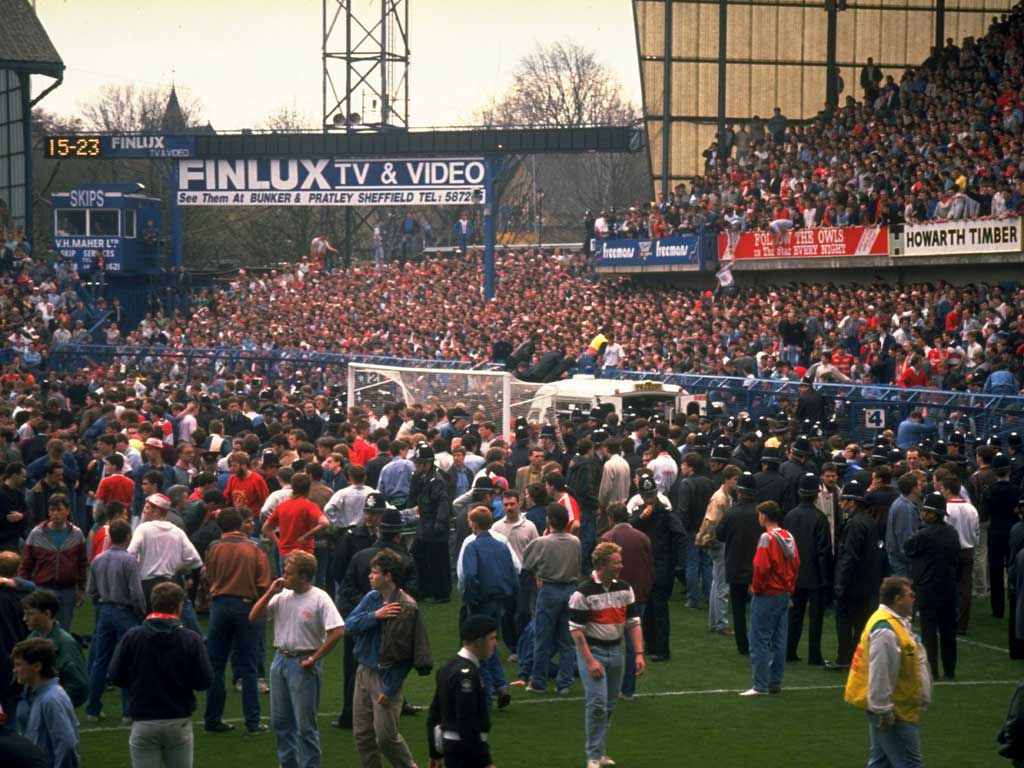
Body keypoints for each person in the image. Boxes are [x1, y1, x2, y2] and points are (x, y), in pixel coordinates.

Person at [249, 551, 345, 768]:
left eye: (289, 573)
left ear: (304, 576)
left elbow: (338, 630)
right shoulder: (281, 596)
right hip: (280, 661)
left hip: (304, 663)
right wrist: (269, 593)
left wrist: (315, 657)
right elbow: (254, 617)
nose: (284, 576)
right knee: (281, 722)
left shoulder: (320, 598)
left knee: (305, 726)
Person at [109, 582, 213, 768]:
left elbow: (116, 675)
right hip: (178, 719)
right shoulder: (191, 639)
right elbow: (204, 681)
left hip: (143, 720)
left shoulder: (132, 637)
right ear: (179, 605)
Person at [346, 549, 430, 768]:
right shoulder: (371, 598)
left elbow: (409, 654)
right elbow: (349, 625)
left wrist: (390, 688)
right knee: (363, 736)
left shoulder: (407, 606)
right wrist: (376, 616)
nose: (370, 576)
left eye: (374, 573)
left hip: (386, 678)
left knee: (385, 737)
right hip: (363, 672)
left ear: (388, 576)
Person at [568, 541, 645, 768]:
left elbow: (634, 624)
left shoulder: (625, 588)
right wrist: (590, 660)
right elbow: (576, 632)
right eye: (616, 562)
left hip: (616, 651)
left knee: (609, 706)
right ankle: (593, 755)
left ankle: (600, 751)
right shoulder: (582, 593)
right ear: (602, 565)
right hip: (593, 651)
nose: (621, 566)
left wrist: (639, 654)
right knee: (598, 703)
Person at [844, 576, 932, 768]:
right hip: (895, 711)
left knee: (881, 763)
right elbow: (880, 673)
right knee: (910, 763)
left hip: (895, 707)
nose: (914, 599)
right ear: (898, 599)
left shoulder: (893, 623)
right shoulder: (886, 631)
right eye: (910, 595)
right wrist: (884, 710)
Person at [202, 507, 271, 734]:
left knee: (216, 665)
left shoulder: (213, 547)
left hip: (220, 606)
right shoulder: (254, 548)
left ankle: (212, 719)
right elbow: (263, 583)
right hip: (246, 607)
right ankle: (252, 722)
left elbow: (208, 576)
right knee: (249, 666)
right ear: (240, 524)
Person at [84, 518, 145, 721]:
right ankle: (128, 711)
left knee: (100, 661)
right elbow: (136, 592)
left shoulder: (98, 559)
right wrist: (141, 611)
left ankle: (92, 708)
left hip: (104, 610)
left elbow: (90, 591)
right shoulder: (129, 561)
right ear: (128, 536)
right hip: (125, 612)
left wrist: (100, 604)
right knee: (129, 660)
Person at [459, 506, 517, 708]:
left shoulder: (472, 547)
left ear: (473, 524)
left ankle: (488, 692)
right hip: (499, 602)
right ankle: (501, 686)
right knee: (491, 643)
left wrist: (470, 600)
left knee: (479, 647)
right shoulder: (501, 545)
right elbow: (512, 573)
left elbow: (470, 577)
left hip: (480, 603)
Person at [521, 503, 581, 695]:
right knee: (567, 640)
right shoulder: (575, 542)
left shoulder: (543, 542)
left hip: (549, 590)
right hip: (571, 591)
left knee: (542, 638)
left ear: (550, 520)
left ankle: (538, 681)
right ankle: (564, 682)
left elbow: (527, 562)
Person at [741, 501, 799, 696]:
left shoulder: (767, 538)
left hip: (767, 594)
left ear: (764, 517)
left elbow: (761, 567)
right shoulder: (788, 536)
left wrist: (756, 588)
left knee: (759, 639)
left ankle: (760, 685)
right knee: (779, 639)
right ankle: (775, 682)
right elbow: (796, 564)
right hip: (784, 593)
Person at [426, 614, 498, 768]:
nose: (495, 643)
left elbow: (434, 713)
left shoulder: (447, 667)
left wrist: (434, 752)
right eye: (492, 638)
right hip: (466, 751)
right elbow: (467, 721)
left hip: (454, 748)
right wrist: (485, 761)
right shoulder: (466, 675)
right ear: (479, 641)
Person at [903, 492, 960, 680]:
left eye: (926, 511)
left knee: (929, 632)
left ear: (933, 514)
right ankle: (950, 670)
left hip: (927, 588)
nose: (923, 513)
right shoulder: (952, 532)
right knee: (948, 632)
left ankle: (932, 670)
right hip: (948, 588)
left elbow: (908, 549)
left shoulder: (924, 534)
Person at [600, 501, 652, 698]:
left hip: (612, 598)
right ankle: (628, 689)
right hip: (638, 593)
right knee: (633, 644)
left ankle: (606, 686)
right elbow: (649, 565)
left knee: (605, 642)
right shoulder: (642, 537)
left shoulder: (607, 538)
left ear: (611, 518)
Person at [830, 479, 883, 670]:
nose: (841, 503)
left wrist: (840, 583)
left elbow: (849, 556)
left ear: (852, 502)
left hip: (853, 582)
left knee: (844, 621)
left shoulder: (854, 524)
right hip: (866, 582)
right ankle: (857, 657)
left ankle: (844, 658)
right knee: (861, 622)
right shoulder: (868, 521)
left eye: (844, 500)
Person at [783, 473, 832, 666]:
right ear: (816, 494)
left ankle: (790, 650)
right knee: (815, 617)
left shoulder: (790, 516)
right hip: (815, 574)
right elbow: (823, 551)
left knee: (794, 614)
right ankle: (814, 654)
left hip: (795, 573)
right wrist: (825, 577)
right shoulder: (819, 518)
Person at [17, 494, 86, 631]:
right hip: (42, 588)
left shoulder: (76, 534)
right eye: (52, 510)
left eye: (59, 510)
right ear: (48, 512)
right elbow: (25, 564)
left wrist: (81, 589)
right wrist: (24, 589)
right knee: (40, 627)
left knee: (64, 629)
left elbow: (82, 563)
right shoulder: (37, 533)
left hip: (67, 589)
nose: (55, 514)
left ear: (67, 511)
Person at [11, 638, 79, 768]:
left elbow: (67, 745)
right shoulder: (33, 694)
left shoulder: (51, 699)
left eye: (19, 665)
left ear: (37, 666)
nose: (15, 670)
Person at [716, 471, 762, 655]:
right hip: (758, 567)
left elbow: (720, 535)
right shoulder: (760, 513)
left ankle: (742, 645)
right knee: (758, 609)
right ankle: (758, 642)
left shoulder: (731, 513)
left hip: (735, 565)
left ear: (740, 492)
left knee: (738, 609)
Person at [20, 590, 88, 709]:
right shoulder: (31, 638)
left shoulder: (66, 644)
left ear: (47, 613)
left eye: (30, 613)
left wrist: (54, 705)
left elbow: (79, 686)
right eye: (25, 613)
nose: (25, 618)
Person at [409, 444, 453, 603]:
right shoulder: (422, 478)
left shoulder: (436, 480)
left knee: (438, 560)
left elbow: (443, 502)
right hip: (426, 524)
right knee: (419, 555)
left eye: (419, 463)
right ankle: (426, 589)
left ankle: (441, 594)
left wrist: (440, 523)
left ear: (427, 463)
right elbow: (413, 499)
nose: (416, 466)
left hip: (434, 525)